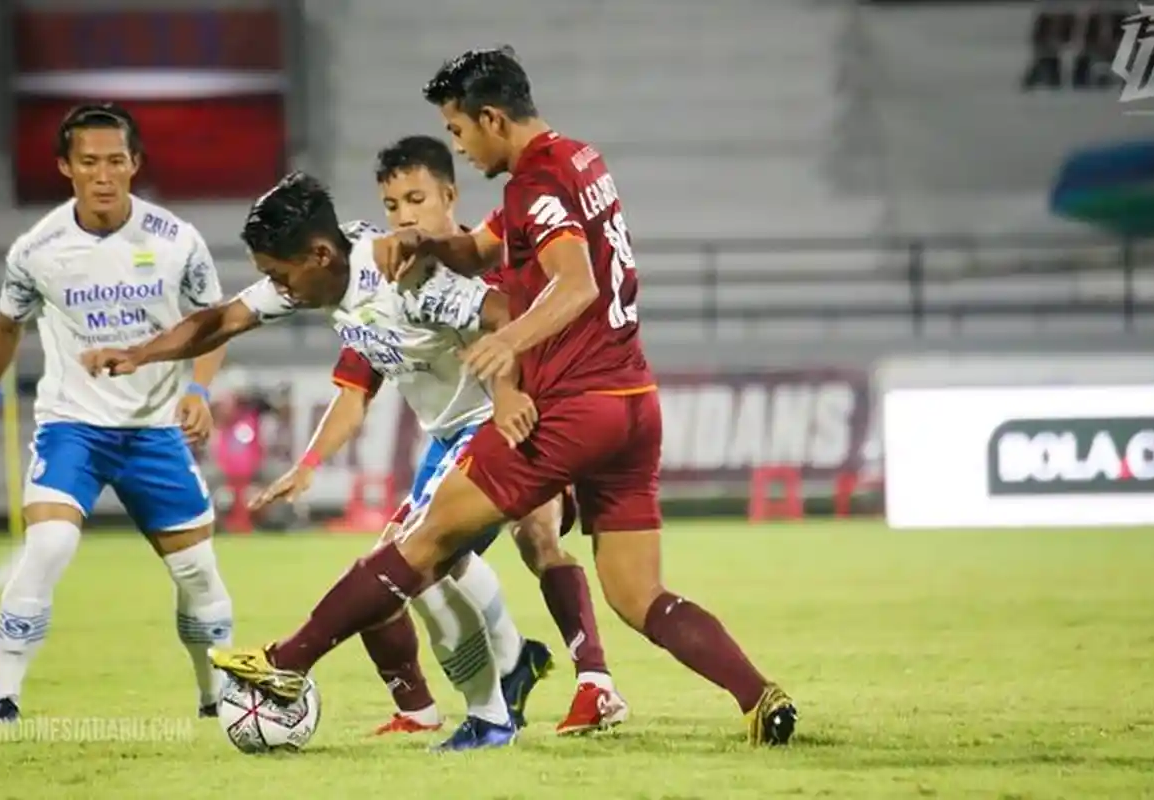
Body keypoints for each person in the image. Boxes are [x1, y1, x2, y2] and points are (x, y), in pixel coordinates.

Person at [201, 46, 799, 747]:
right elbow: (482, 249)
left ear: (490, 117)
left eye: (458, 130)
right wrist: (428, 239)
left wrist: (512, 342)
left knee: (424, 540)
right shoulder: (579, 159)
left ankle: (284, 662)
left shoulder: (533, 184)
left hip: (574, 403)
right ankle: (761, 698)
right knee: (640, 597)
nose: (457, 143)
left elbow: (575, 284)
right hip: (635, 400)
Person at [78, 169, 559, 751]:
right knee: (426, 575)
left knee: (413, 565)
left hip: (493, 430)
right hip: (450, 438)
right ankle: (498, 696)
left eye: (279, 276)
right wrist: (139, 354)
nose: (276, 289)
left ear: (319, 254)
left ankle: (489, 711)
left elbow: (503, 312)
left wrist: (508, 393)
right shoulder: (330, 269)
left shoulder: (405, 280)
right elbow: (224, 319)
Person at [249, 136, 627, 736]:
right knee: (404, 565)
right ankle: (471, 683)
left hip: (527, 420)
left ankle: (593, 681)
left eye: (416, 200)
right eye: (392, 204)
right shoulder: (388, 284)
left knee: (534, 538)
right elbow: (355, 389)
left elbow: (531, 323)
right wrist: (310, 463)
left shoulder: (491, 264)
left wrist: (522, 395)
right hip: (449, 442)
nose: (403, 216)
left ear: (449, 196)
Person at [0, 103, 233, 722]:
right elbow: (6, 326)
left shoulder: (176, 241)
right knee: (50, 544)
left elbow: (212, 324)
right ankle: (1, 698)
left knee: (196, 572)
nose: (104, 174)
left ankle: (213, 697)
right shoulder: (38, 249)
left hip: (153, 430)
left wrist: (198, 392)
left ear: (135, 164)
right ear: (66, 167)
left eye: (116, 160)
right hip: (74, 427)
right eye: (90, 162)